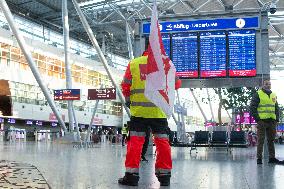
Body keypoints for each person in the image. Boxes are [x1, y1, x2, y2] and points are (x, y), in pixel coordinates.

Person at [118, 50, 181, 186]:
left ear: (144, 51)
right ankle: (165, 176)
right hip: (159, 110)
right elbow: (176, 85)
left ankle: (131, 176)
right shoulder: (167, 64)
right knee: (162, 142)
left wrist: (128, 100)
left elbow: (125, 85)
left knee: (135, 142)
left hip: (139, 111)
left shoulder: (134, 63)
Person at [250, 79, 280, 164]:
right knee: (261, 140)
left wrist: (276, 119)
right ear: (263, 85)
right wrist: (258, 120)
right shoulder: (258, 94)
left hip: (272, 121)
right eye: (266, 84)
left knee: (271, 140)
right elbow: (252, 108)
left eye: (269, 84)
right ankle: (259, 158)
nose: (268, 85)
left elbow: (276, 108)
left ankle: (272, 158)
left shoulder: (273, 95)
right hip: (262, 121)